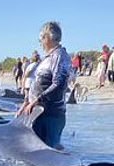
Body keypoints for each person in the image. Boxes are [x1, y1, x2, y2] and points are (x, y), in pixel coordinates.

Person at [17, 21, 71, 149]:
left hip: (50, 116)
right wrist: (26, 102)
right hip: (39, 113)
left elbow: (58, 85)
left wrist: (36, 100)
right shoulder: (47, 58)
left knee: (49, 156)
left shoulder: (59, 56)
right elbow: (38, 83)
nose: (40, 42)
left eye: (40, 38)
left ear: (47, 37)